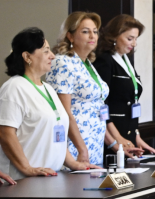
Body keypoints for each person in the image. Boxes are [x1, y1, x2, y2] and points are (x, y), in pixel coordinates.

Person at [0, 28, 94, 182]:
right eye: (46, 51)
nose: (52, 56)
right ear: (27, 56)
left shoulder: (48, 88)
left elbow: (56, 135)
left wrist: (73, 163)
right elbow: (5, 134)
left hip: (51, 177)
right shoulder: (14, 88)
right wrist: (27, 168)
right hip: (22, 180)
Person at [94, 15, 155, 157]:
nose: (134, 44)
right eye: (130, 39)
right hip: (112, 136)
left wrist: (136, 137)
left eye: (136, 39)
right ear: (114, 37)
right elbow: (102, 104)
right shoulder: (105, 60)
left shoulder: (125, 60)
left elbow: (132, 101)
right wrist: (116, 139)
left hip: (128, 132)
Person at [47, 12, 107, 166]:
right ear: (70, 36)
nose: (92, 36)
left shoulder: (87, 64)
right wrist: (81, 148)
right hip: (74, 145)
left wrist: (113, 143)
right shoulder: (62, 63)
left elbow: (97, 106)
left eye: (95, 31)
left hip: (94, 142)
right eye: (85, 32)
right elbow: (63, 111)